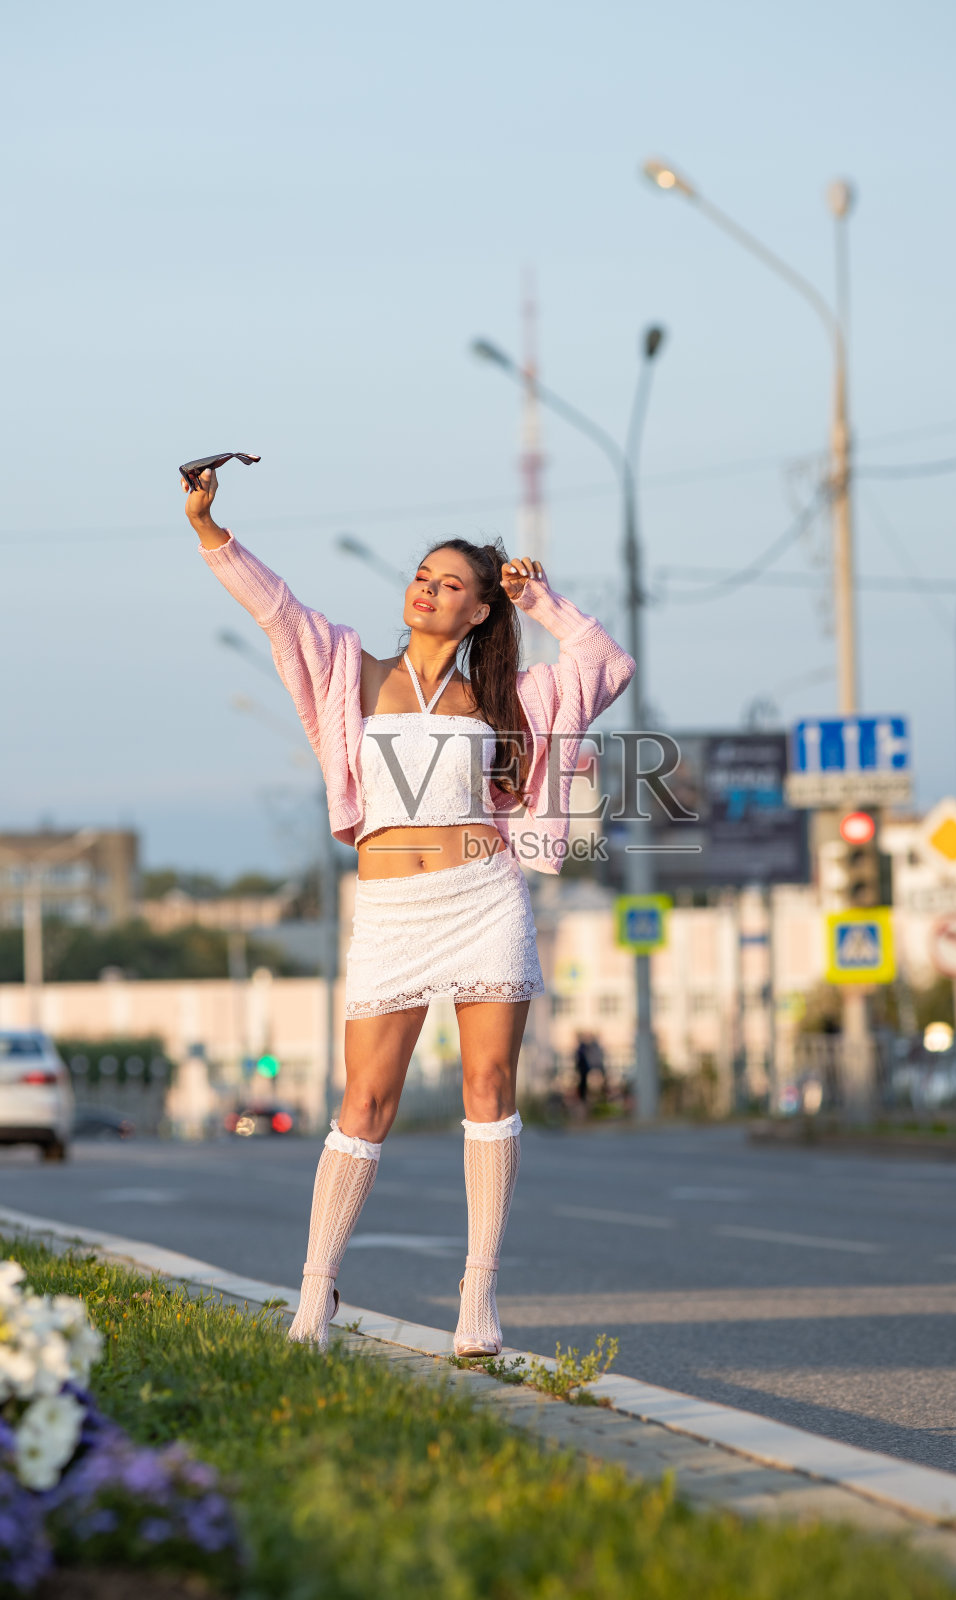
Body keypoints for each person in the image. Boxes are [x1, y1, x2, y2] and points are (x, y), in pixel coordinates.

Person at [182, 466, 634, 1355]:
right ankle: (314, 1296)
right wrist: (209, 527)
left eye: (449, 585)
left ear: (477, 612)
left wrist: (543, 603)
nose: (426, 591)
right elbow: (276, 610)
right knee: (365, 1102)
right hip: (390, 909)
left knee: (487, 1089)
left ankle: (476, 1300)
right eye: (421, 578)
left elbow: (604, 665)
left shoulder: (512, 699)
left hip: (484, 897)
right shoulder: (351, 670)